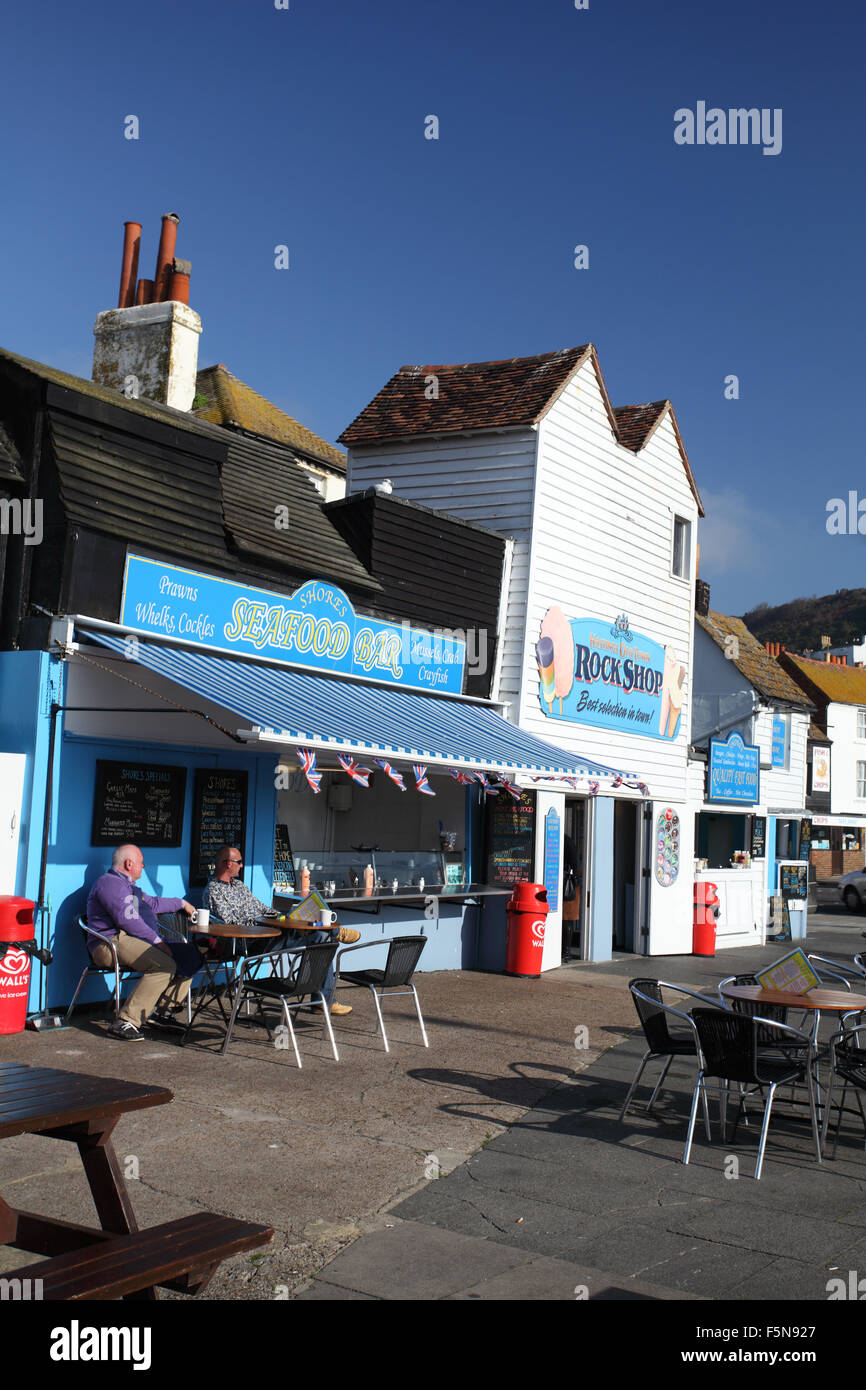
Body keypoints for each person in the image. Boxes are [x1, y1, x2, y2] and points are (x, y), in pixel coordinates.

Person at [204, 846, 360, 1015]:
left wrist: (282, 917)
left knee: (322, 938)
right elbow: (231, 923)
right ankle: (324, 996)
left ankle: (322, 998)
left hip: (268, 932)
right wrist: (264, 921)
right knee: (323, 937)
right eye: (239, 862)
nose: (241, 866)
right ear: (228, 863)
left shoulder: (239, 885)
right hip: (250, 940)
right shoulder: (214, 890)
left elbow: (261, 907)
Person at [86, 844, 202, 1041]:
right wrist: (157, 941)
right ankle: (125, 1021)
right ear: (129, 863)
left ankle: (163, 1012)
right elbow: (127, 920)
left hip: (132, 940)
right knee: (164, 965)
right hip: (110, 942)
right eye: (141, 862)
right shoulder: (109, 883)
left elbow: (154, 904)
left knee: (190, 955)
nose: (144, 866)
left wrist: (183, 904)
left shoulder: (130, 888)